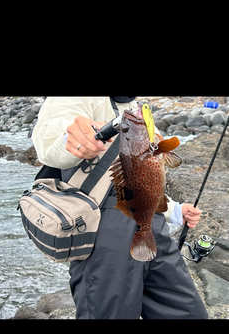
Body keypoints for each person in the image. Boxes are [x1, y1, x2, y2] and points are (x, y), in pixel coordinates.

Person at [32, 97, 208, 319]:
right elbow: (50, 140)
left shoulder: (134, 107)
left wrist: (172, 209)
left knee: (188, 312)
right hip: (103, 235)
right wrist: (72, 136)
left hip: (153, 226)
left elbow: (142, 177)